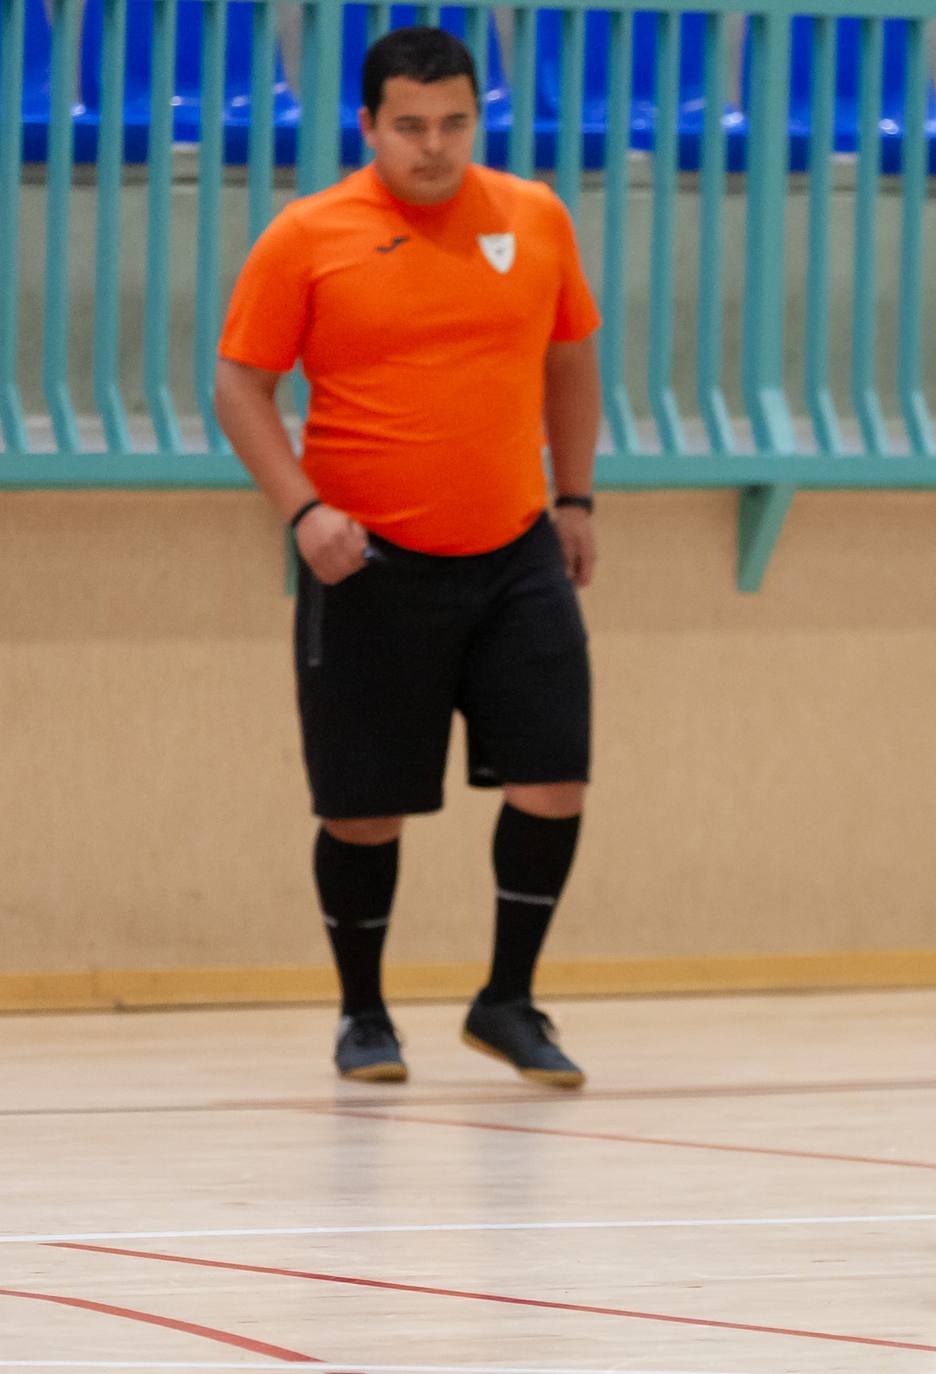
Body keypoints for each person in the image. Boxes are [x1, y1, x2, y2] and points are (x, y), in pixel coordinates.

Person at [212, 27, 603, 1087]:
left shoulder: (534, 217)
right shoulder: (309, 235)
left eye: (455, 123)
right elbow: (240, 386)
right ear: (369, 124)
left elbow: (571, 360)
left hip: (517, 548)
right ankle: (363, 1014)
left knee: (555, 777)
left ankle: (508, 1002)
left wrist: (573, 496)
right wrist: (302, 513)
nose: (435, 147)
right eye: (411, 126)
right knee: (361, 808)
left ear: (479, 116)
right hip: (367, 564)